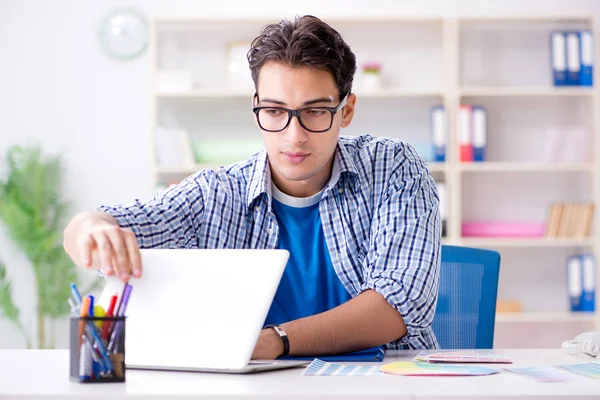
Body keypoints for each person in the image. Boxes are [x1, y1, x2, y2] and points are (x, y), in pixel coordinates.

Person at [63, 15, 441, 359]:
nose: (295, 137)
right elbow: (102, 226)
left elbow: (399, 303)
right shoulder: (216, 193)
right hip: (257, 386)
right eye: (275, 111)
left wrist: (277, 341)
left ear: (346, 110)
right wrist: (91, 228)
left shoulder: (393, 168)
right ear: (257, 107)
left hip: (383, 381)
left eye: (315, 112)